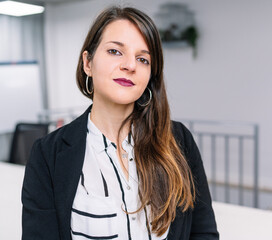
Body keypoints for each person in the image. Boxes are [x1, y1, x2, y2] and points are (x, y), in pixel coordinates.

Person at [22, 5, 218, 240]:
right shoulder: (48, 154)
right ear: (88, 63)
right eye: (115, 51)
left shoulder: (179, 140)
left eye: (143, 59)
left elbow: (203, 233)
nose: (130, 65)